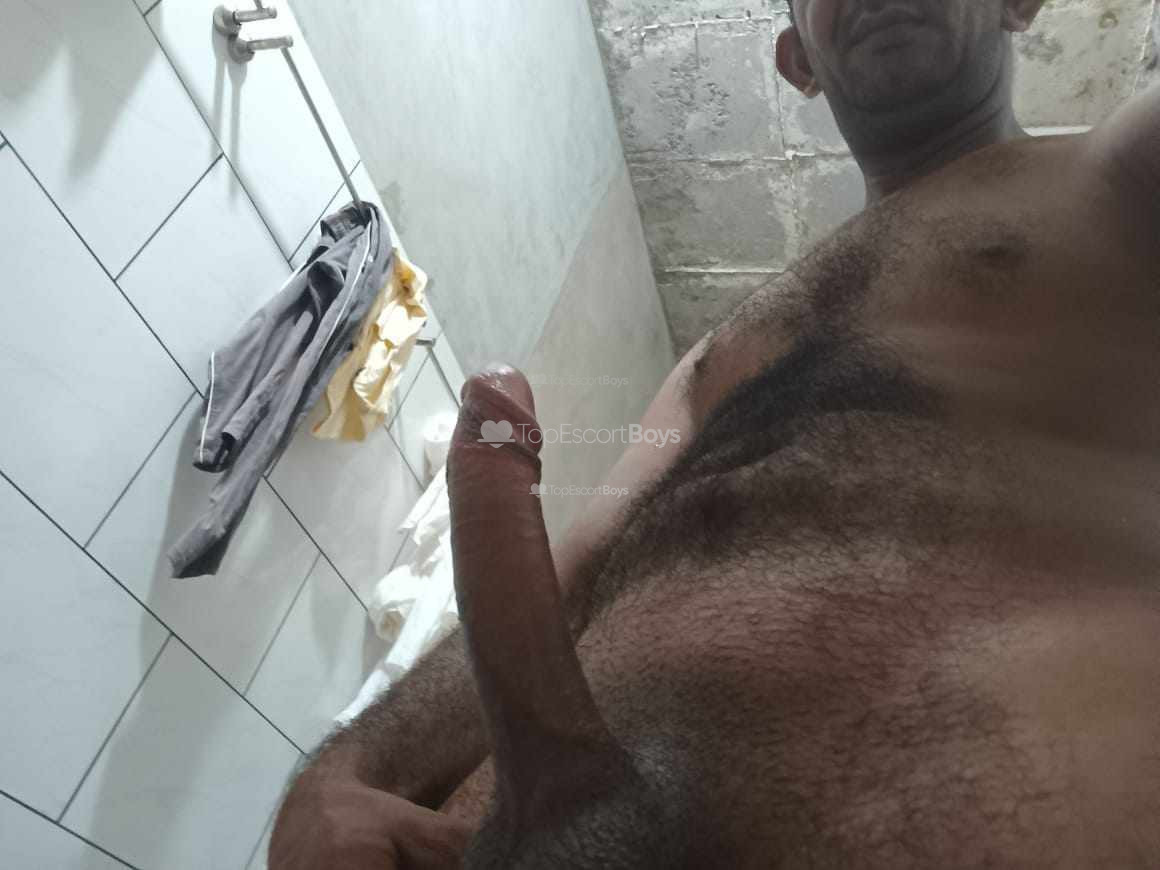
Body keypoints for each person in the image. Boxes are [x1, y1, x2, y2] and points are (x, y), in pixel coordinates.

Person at [270, 0, 1160, 866]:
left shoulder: (1121, 181)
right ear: (799, 62)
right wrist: (349, 770)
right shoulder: (719, 355)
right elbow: (577, 579)